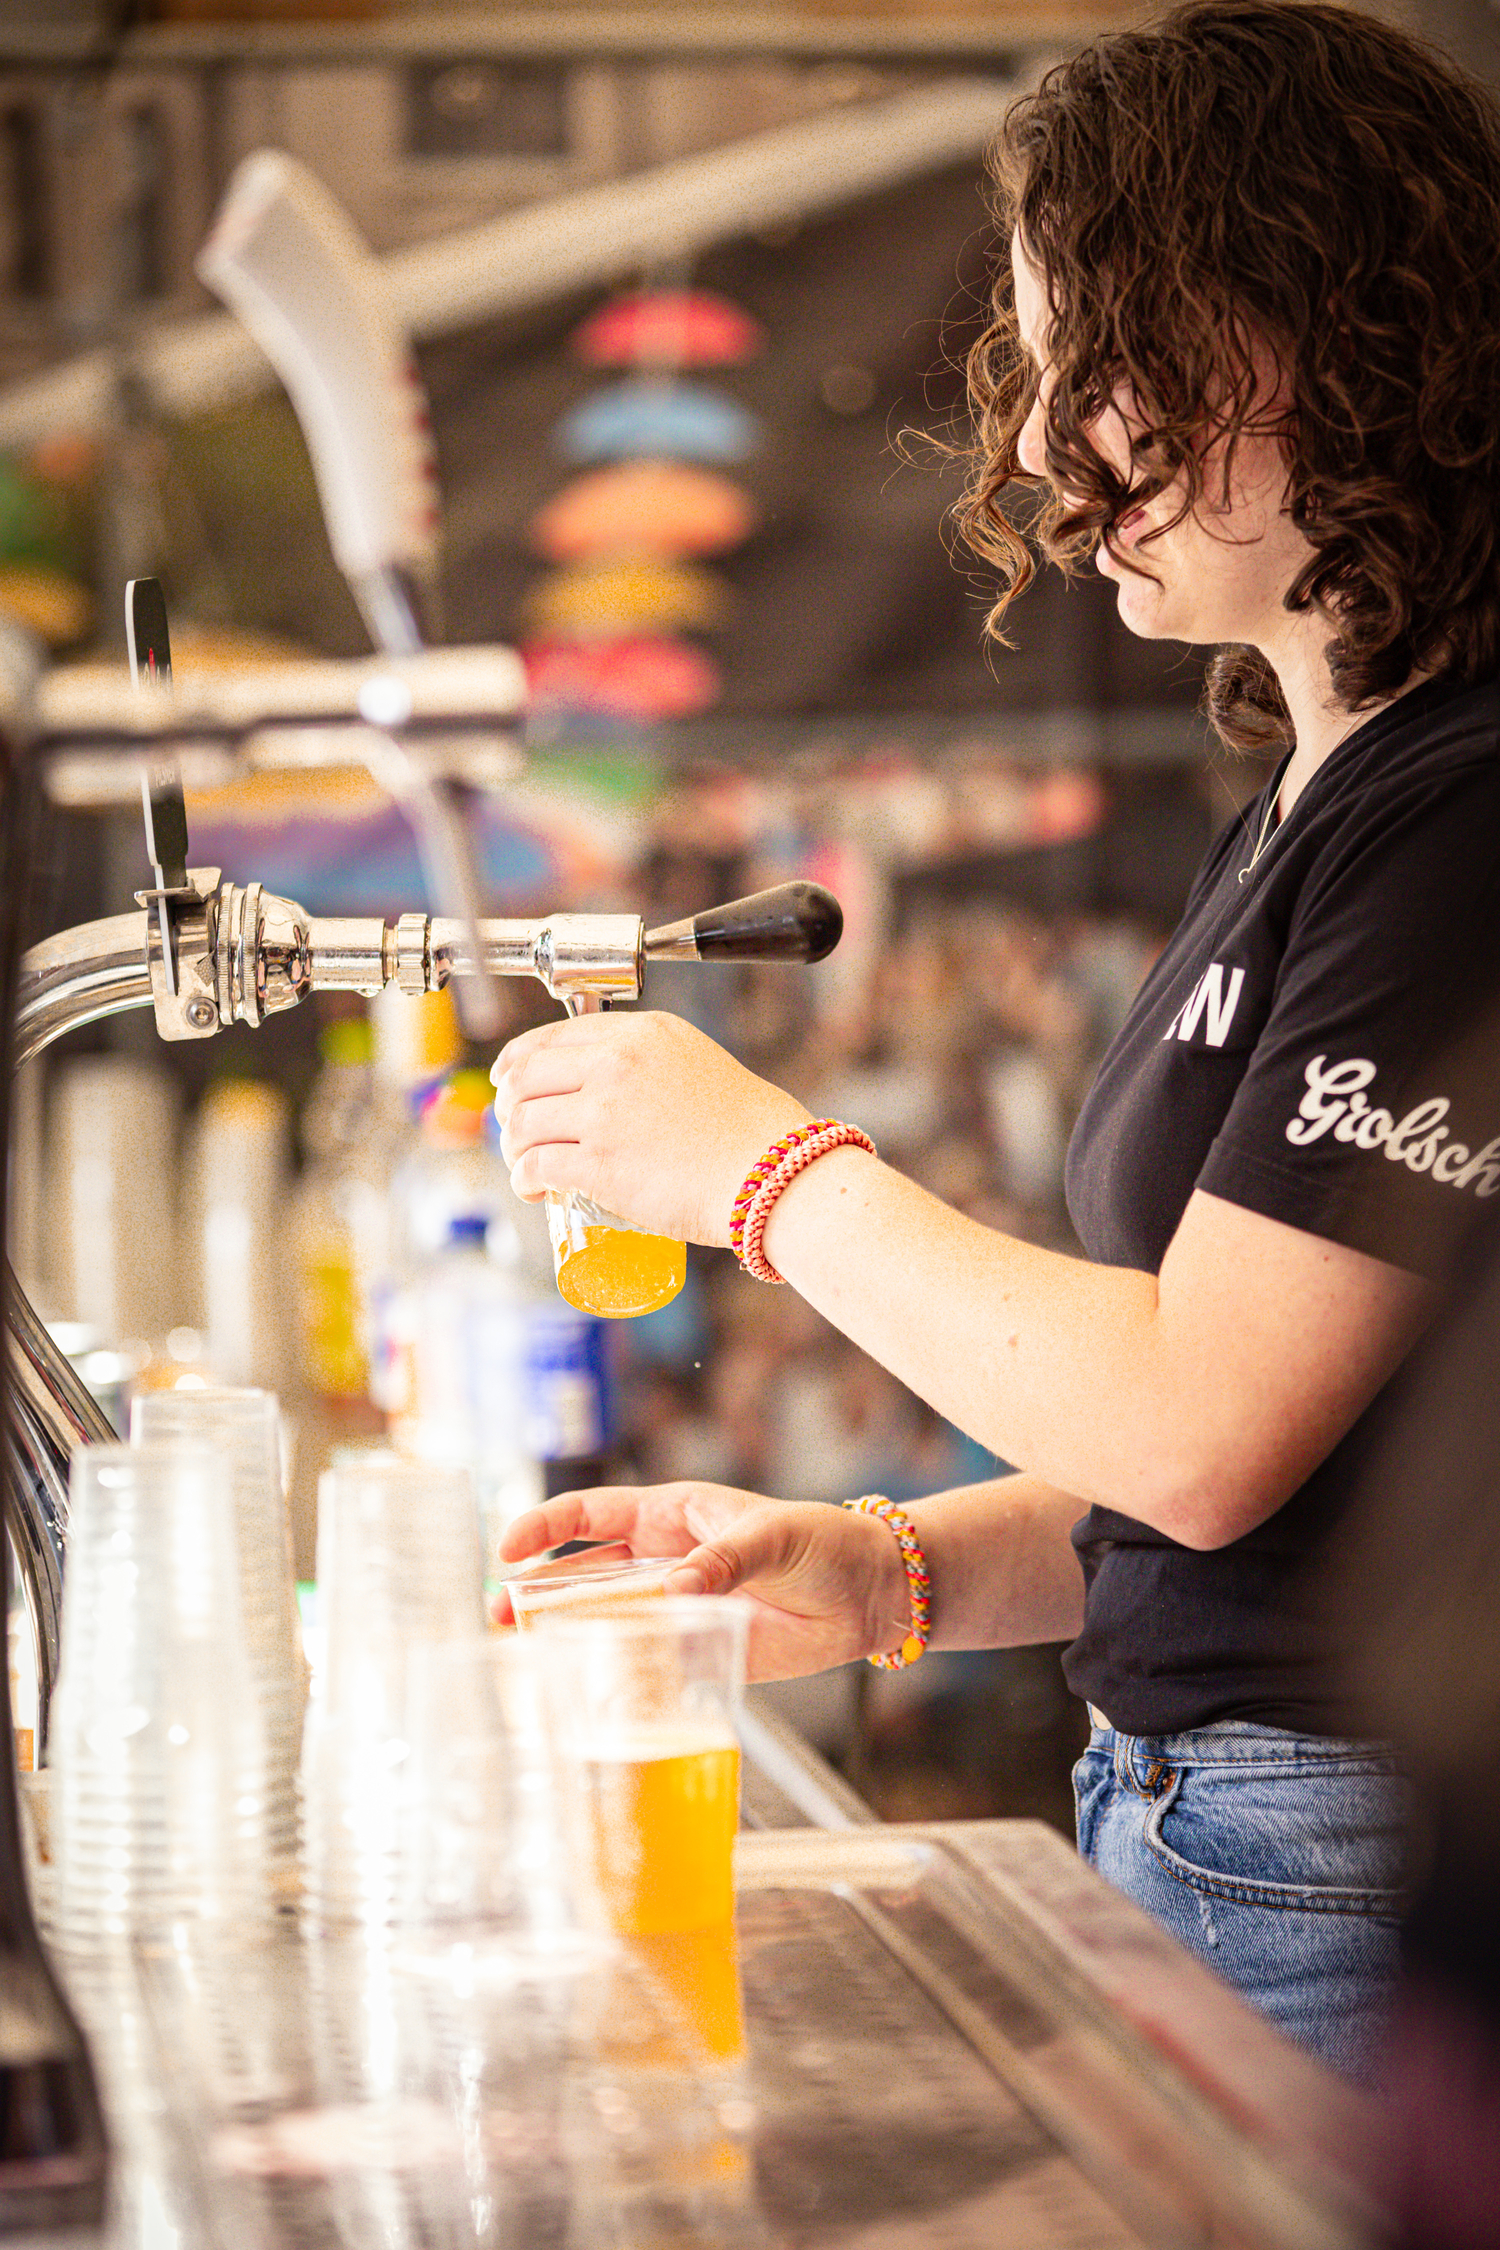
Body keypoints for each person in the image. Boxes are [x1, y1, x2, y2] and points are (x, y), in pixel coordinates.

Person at [491, 0, 1500, 2082]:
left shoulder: (1467, 808)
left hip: (1336, 1860)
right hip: (1208, 1822)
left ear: (1293, 336)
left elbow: (1204, 1425)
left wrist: (758, 1176)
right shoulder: (1322, 802)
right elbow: (1244, 1471)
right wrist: (883, 1574)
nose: (1040, 448)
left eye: (1088, 359)